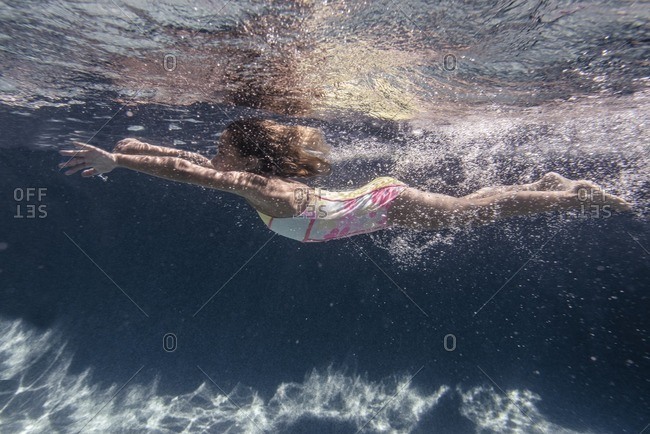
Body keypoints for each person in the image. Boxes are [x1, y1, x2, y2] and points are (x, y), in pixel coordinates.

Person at [59, 119, 631, 242]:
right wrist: (134, 148)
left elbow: (191, 172)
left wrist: (121, 161)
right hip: (372, 202)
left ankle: (579, 197)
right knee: (472, 203)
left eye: (226, 147)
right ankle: (562, 188)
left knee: (474, 212)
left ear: (248, 158)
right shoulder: (258, 179)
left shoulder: (271, 191)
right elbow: (196, 162)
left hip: (386, 203)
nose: (217, 152)